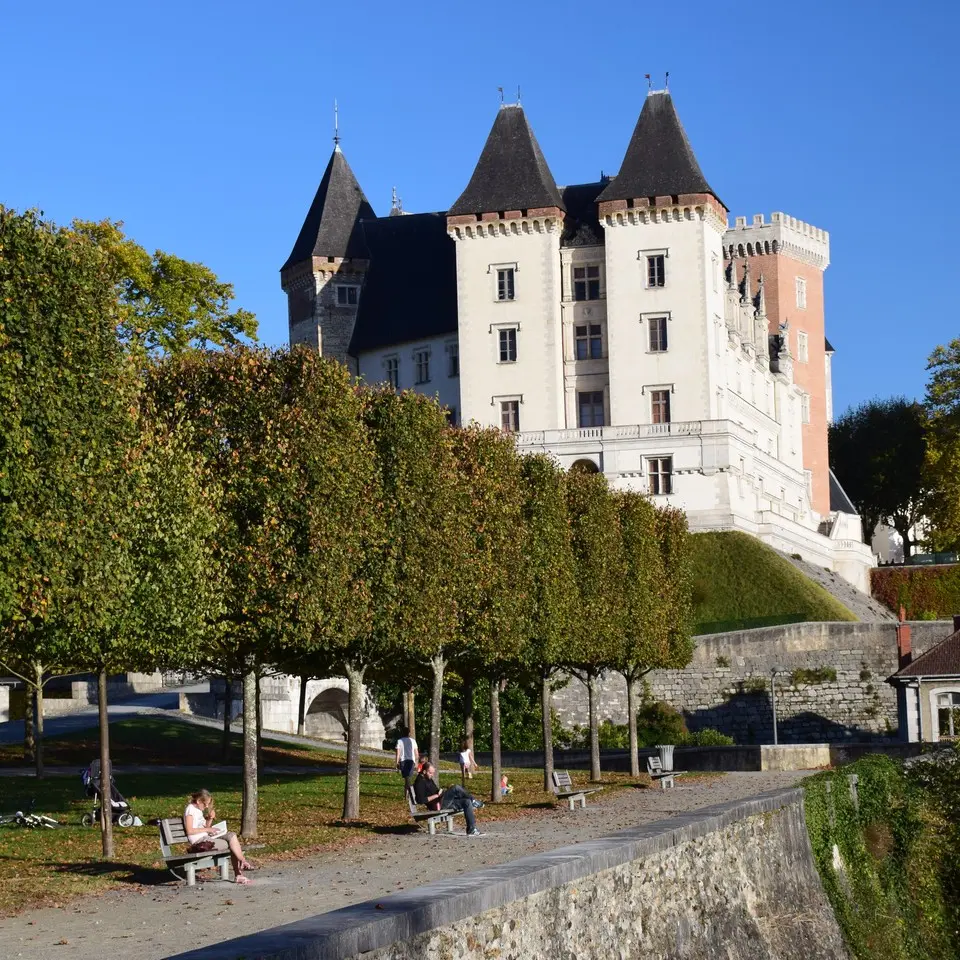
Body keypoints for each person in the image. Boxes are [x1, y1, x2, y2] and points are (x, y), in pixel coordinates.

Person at [183, 789, 253, 885]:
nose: (207, 806)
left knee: (231, 835)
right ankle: (240, 870)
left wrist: (210, 818)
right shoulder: (190, 810)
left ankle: (242, 863)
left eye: (208, 804)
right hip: (200, 842)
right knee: (231, 844)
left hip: (207, 838)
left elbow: (206, 827)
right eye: (205, 804)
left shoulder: (198, 810)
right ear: (198, 801)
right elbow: (190, 831)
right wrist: (208, 830)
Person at [413, 761, 483, 836]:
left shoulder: (428, 779)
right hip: (438, 805)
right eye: (430, 773)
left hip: (442, 801)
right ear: (424, 771)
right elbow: (420, 800)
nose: (432, 775)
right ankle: (473, 800)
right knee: (456, 788)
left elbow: (435, 791)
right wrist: (436, 796)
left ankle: (471, 829)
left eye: (433, 773)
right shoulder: (419, 782)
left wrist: (441, 791)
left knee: (466, 802)